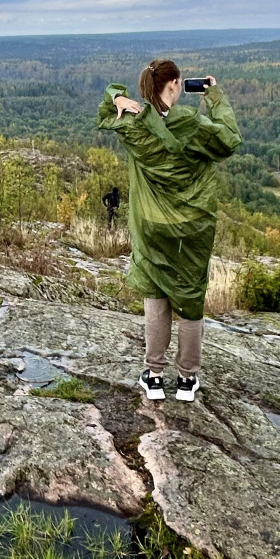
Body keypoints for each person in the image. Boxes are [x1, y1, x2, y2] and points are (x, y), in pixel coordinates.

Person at [97, 58, 239, 403]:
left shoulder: (133, 124)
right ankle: (188, 380)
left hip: (151, 225)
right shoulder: (192, 123)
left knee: (156, 293)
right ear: (175, 84)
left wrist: (117, 96)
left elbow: (104, 115)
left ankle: (155, 376)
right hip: (192, 226)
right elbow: (229, 140)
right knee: (190, 300)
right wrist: (215, 97)